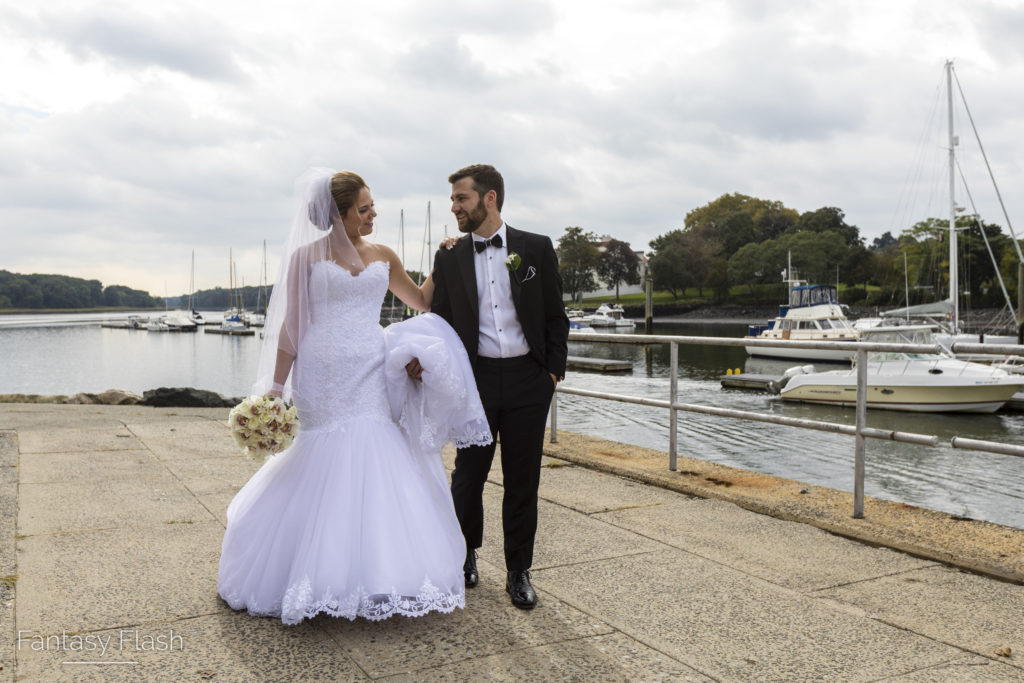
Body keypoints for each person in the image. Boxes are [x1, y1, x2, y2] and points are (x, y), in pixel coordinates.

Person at [217, 168, 491, 625]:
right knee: (323, 453)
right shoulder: (305, 257)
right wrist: (276, 390)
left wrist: (445, 258)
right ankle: (314, 572)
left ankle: (378, 572)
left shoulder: (383, 254)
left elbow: (421, 300)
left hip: (369, 368)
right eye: (363, 209)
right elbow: (290, 328)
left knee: (375, 448)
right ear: (336, 214)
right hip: (321, 370)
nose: (372, 214)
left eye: (371, 205)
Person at [426, 164, 569, 609]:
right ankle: (465, 552)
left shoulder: (536, 248)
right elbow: (439, 320)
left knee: (522, 480)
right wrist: (424, 359)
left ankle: (518, 572)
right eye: (453, 200)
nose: (454, 208)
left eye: (461, 199)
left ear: (489, 199)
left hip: (530, 380)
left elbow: (555, 316)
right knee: (468, 475)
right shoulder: (449, 256)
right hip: (477, 381)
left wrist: (552, 374)